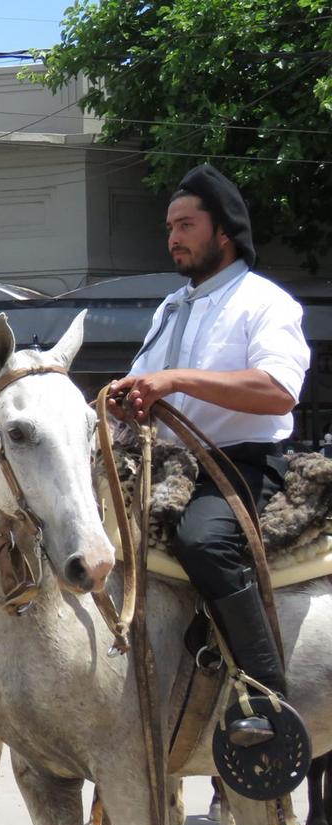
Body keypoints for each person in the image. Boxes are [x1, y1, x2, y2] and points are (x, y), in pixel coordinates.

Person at [108, 163, 308, 748]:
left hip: (241, 464)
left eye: (186, 224)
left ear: (223, 230)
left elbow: (278, 389)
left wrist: (178, 380)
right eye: (169, 226)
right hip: (161, 466)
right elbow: (150, 381)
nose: (173, 236)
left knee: (203, 541)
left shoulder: (265, 302)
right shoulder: (170, 306)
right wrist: (129, 399)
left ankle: (267, 699)